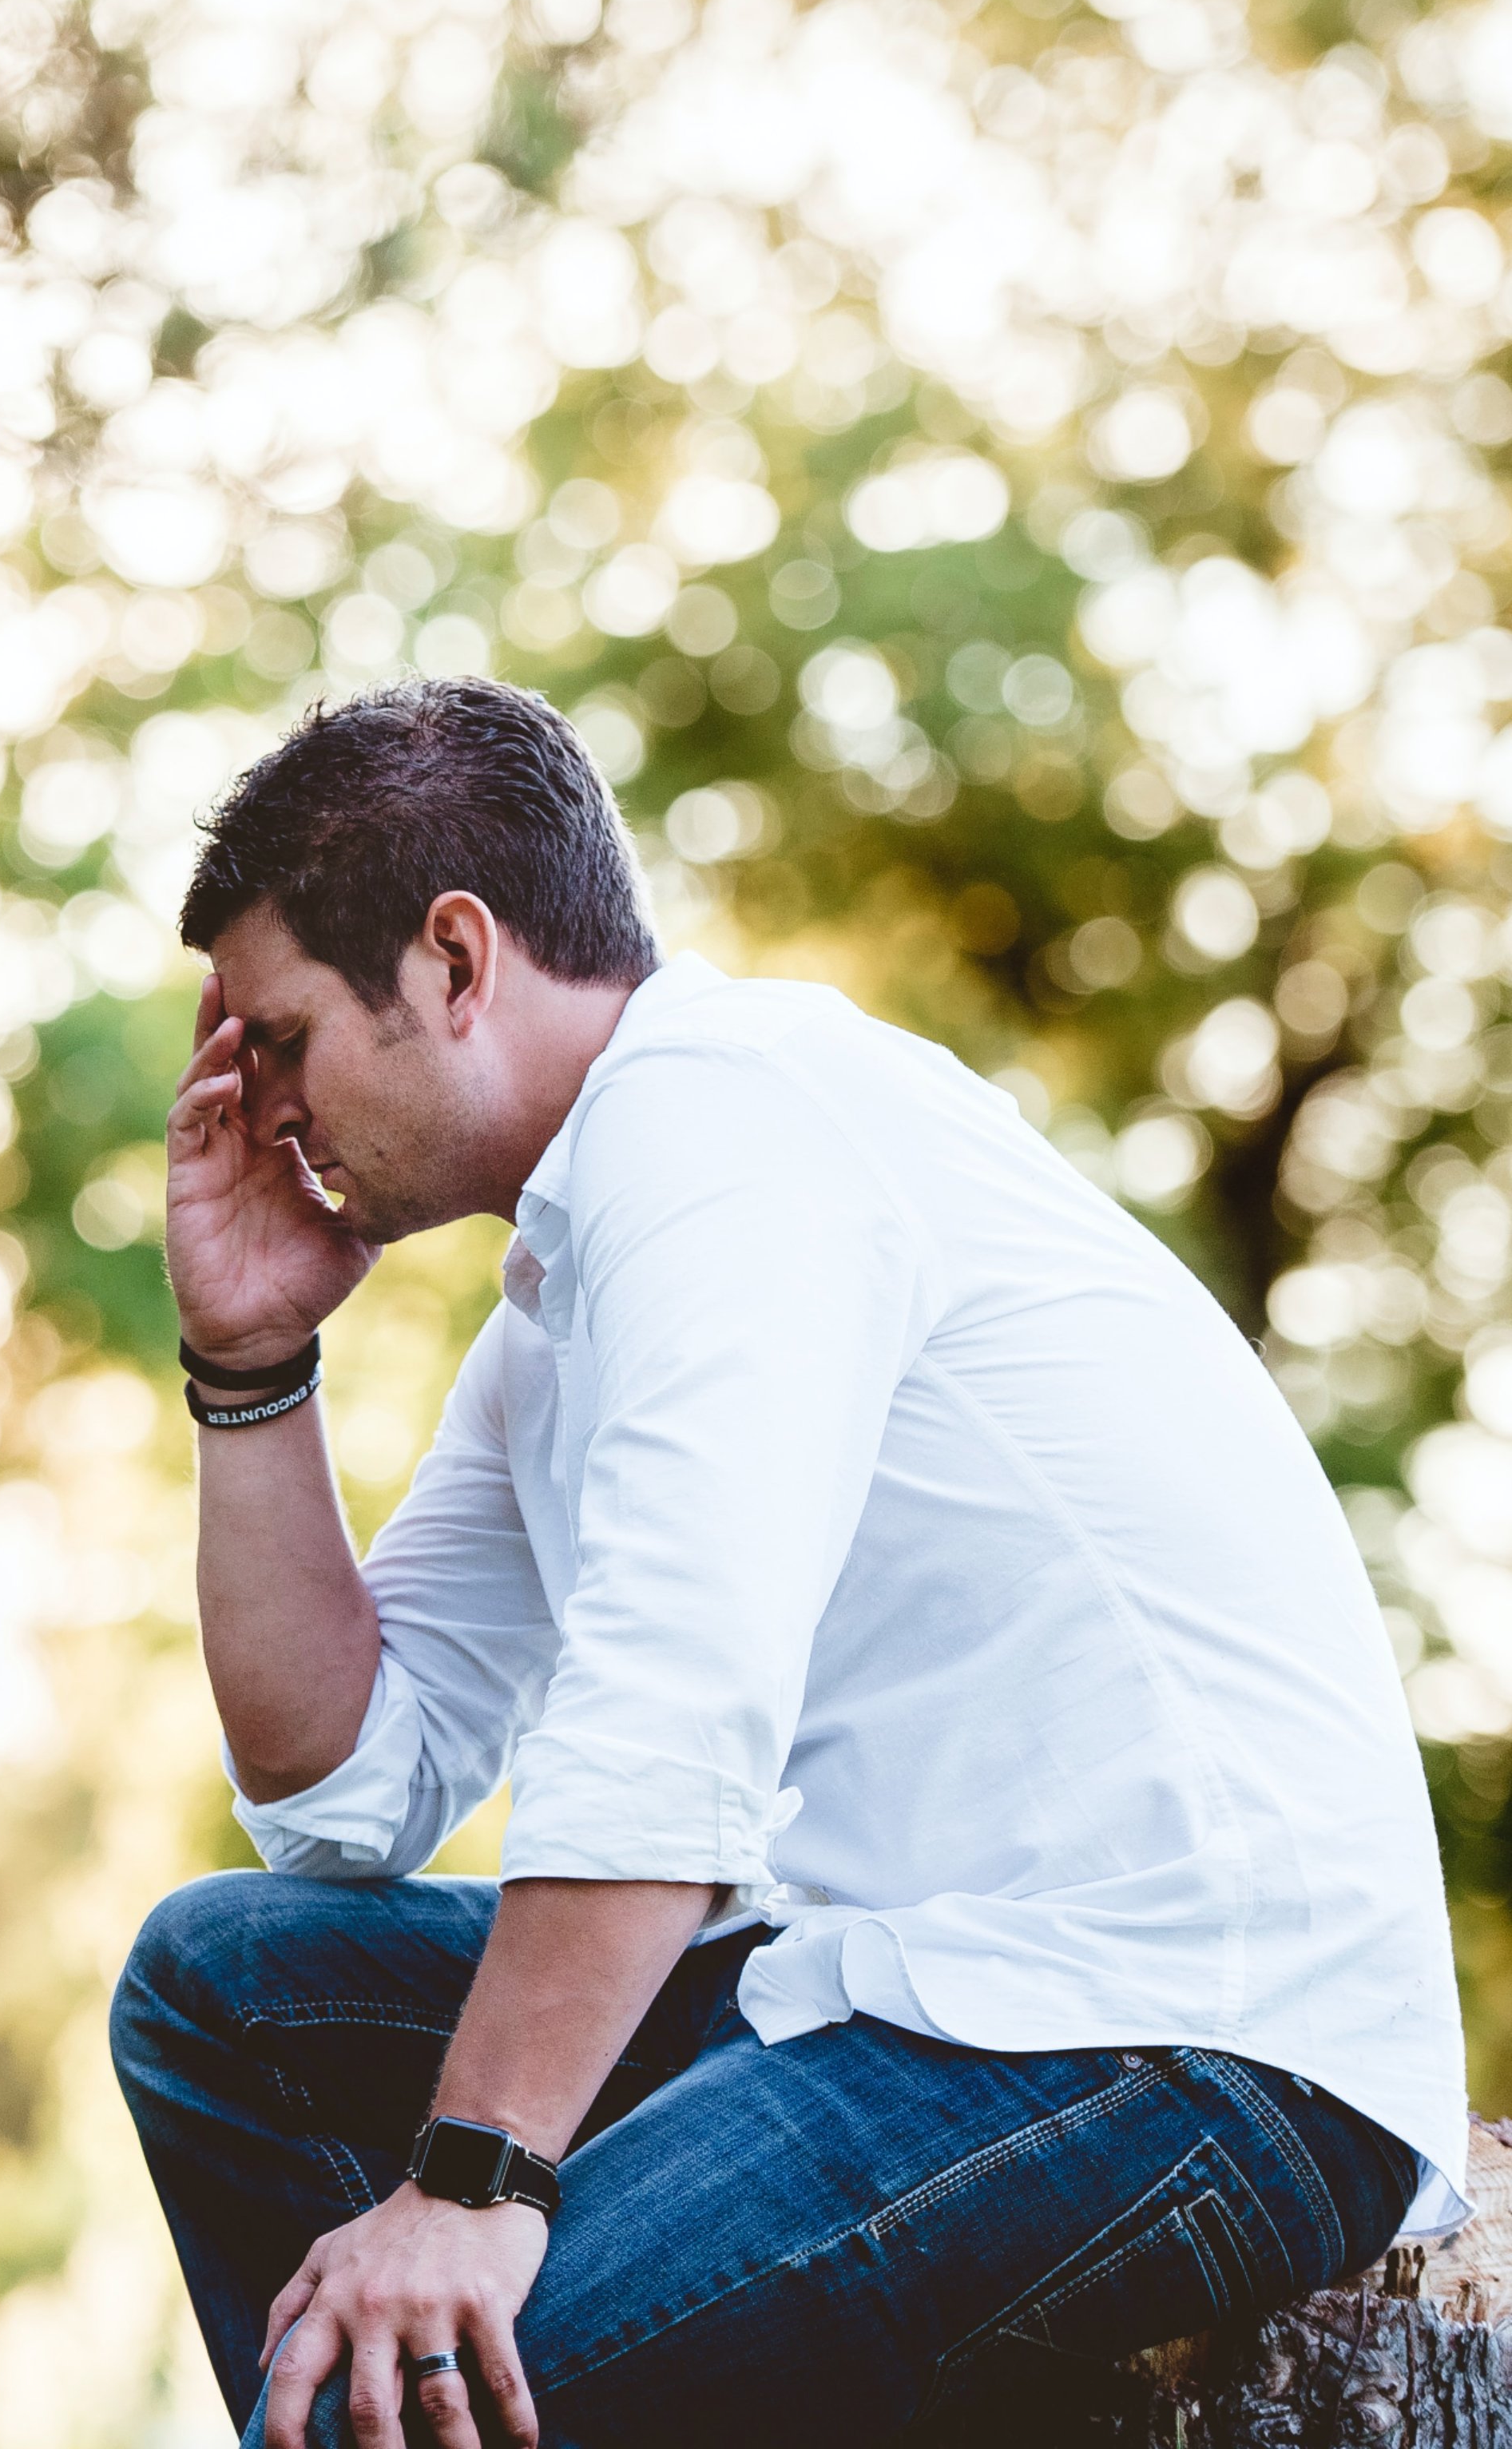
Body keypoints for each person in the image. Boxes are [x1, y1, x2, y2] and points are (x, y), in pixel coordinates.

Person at [109, 676, 1466, 2449]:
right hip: (879, 1992)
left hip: (1176, 2037)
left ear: (455, 961)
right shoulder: (567, 1297)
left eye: (281, 1037)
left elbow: (675, 1708)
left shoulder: (730, 1126)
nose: (263, 1108)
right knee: (231, 1987)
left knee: (440, 2405)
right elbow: (349, 1790)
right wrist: (250, 1369)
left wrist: (468, 2187)